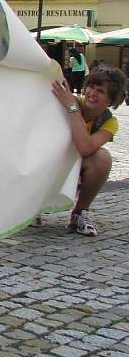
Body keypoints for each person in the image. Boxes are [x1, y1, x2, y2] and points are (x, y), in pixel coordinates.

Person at [50, 67, 126, 236]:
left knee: (103, 158)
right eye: (91, 86)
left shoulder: (109, 122)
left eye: (101, 91)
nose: (93, 93)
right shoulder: (68, 101)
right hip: (49, 161)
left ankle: (79, 213)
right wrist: (71, 105)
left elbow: (85, 148)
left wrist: (72, 109)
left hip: (73, 165)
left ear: (111, 100)